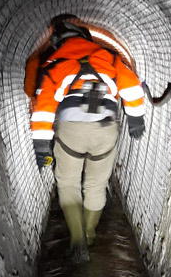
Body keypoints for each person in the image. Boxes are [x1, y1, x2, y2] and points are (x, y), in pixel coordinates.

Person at [28, 15, 146, 263]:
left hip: (71, 129)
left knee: (68, 183)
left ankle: (78, 239)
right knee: (96, 184)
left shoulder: (55, 63)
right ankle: (91, 234)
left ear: (60, 42)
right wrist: (136, 119)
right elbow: (132, 86)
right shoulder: (108, 58)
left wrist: (42, 146)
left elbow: (43, 108)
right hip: (105, 127)